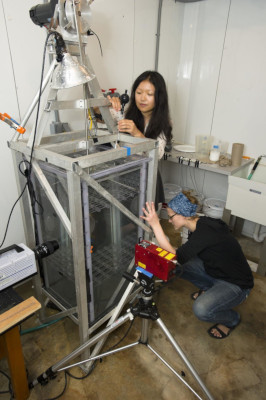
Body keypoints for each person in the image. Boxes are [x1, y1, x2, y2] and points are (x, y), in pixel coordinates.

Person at [140, 192, 254, 339]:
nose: (169, 221)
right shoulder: (201, 224)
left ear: (185, 215)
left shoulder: (206, 232)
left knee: (202, 309)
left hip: (237, 284)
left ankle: (232, 319)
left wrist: (156, 224)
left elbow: (175, 257)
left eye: (171, 216)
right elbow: (180, 256)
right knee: (178, 267)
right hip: (216, 271)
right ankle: (209, 288)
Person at [107, 70, 173, 205]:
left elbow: (158, 153)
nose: (142, 99)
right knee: (124, 218)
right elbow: (96, 114)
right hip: (124, 174)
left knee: (142, 220)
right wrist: (105, 104)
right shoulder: (125, 113)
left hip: (147, 177)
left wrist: (136, 133)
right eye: (138, 93)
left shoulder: (163, 123)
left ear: (159, 97)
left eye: (149, 94)